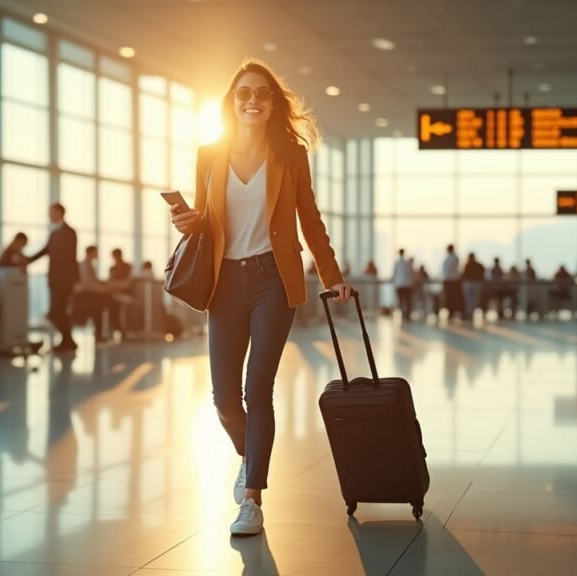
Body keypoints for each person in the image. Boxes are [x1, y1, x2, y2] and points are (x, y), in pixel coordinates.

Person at [168, 59, 351, 536]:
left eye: (262, 93)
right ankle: (250, 457)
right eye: (244, 92)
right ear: (232, 101)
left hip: (274, 280)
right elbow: (209, 220)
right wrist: (190, 221)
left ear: (273, 103)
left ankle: (252, 498)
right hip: (224, 283)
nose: (253, 100)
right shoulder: (210, 154)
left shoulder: (290, 154)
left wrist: (332, 275)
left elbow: (310, 219)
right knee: (225, 400)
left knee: (258, 389)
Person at [28, 204, 80, 353]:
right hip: (54, 279)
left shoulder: (69, 232)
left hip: (65, 280)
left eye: (52, 213)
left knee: (57, 311)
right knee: (57, 311)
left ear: (60, 213)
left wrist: (75, 280)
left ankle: (68, 340)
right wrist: (27, 260)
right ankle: (68, 340)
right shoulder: (54, 233)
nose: (50, 215)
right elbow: (46, 250)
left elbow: (71, 257)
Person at [73, 246, 110, 343]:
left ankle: (100, 333)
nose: (97, 255)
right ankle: (99, 334)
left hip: (91, 293)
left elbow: (92, 281)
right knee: (98, 312)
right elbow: (88, 284)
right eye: (95, 252)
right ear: (91, 253)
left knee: (99, 312)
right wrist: (103, 289)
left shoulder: (88, 264)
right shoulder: (84, 265)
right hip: (88, 294)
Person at [461, 253, 485, 321]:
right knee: (469, 299)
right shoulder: (467, 265)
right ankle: (469, 312)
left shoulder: (477, 265)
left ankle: (472, 312)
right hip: (469, 283)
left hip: (475, 283)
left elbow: (482, 273)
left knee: (474, 299)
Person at [392, 248, 414, 320]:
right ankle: (407, 314)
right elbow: (411, 273)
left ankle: (403, 314)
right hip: (407, 284)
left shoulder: (397, 263)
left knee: (401, 300)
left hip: (399, 284)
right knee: (407, 300)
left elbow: (394, 274)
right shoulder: (407, 263)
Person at [441, 244, 461, 320]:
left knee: (452, 297)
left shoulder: (454, 258)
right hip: (448, 280)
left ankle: (452, 311)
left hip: (453, 281)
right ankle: (450, 310)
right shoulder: (448, 258)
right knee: (448, 297)